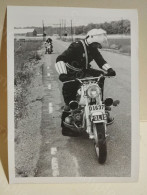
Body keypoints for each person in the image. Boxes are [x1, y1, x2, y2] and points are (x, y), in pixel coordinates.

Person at [55, 29, 116, 136]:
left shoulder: (93, 48)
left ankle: (98, 102)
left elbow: (100, 60)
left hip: (84, 70)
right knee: (70, 98)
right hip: (71, 72)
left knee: (100, 76)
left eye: (98, 45)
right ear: (91, 39)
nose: (97, 47)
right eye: (96, 44)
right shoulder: (76, 46)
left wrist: (109, 70)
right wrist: (63, 74)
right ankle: (65, 128)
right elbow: (60, 58)